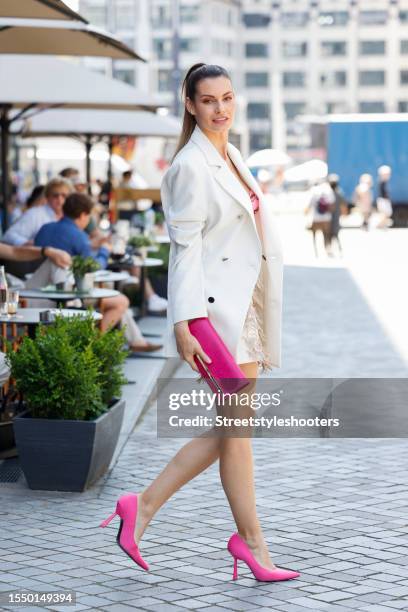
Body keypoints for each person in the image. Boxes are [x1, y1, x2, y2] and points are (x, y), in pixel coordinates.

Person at [99, 63, 299, 582]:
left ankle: (144, 509)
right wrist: (185, 322)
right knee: (236, 430)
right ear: (190, 104)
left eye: (227, 97)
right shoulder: (189, 166)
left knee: (234, 430)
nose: (220, 109)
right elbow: (184, 251)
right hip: (219, 314)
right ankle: (245, 542)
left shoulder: (229, 154)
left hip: (247, 306)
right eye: (208, 100)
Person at [34, 192, 161, 350]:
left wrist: (92, 245)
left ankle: (136, 341)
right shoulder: (78, 236)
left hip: (39, 290)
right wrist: (104, 250)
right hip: (69, 295)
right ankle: (92, 347)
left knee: (115, 297)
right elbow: (93, 268)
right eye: (89, 217)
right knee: (121, 301)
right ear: (82, 215)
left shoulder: (45, 229)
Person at [2, 178, 72, 246]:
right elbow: (9, 236)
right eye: (55, 196)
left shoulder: (72, 215)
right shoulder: (35, 214)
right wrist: (29, 244)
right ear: (47, 197)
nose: (60, 199)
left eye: (64, 195)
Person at [305, 178, 335, 256]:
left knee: (314, 235)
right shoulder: (328, 190)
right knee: (326, 234)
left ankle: (316, 251)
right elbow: (332, 205)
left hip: (316, 218)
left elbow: (308, 206)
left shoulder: (313, 191)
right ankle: (328, 248)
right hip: (327, 218)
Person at [327, 174, 348, 256]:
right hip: (335, 215)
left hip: (328, 216)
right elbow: (343, 205)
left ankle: (330, 249)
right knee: (335, 233)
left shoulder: (328, 192)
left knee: (330, 233)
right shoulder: (339, 192)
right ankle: (337, 249)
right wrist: (344, 213)